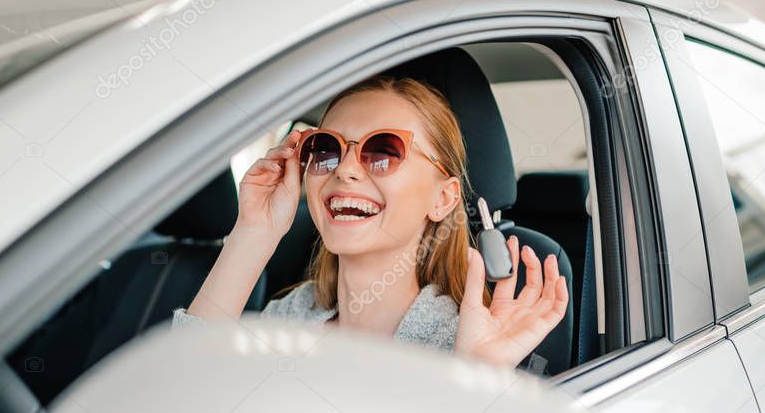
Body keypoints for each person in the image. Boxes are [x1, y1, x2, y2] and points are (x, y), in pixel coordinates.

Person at [173, 75, 568, 369]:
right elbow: (181, 401)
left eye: (383, 151)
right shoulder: (291, 316)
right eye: (324, 149)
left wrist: (475, 376)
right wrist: (253, 234)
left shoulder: (469, 343)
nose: (344, 170)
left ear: (443, 197)